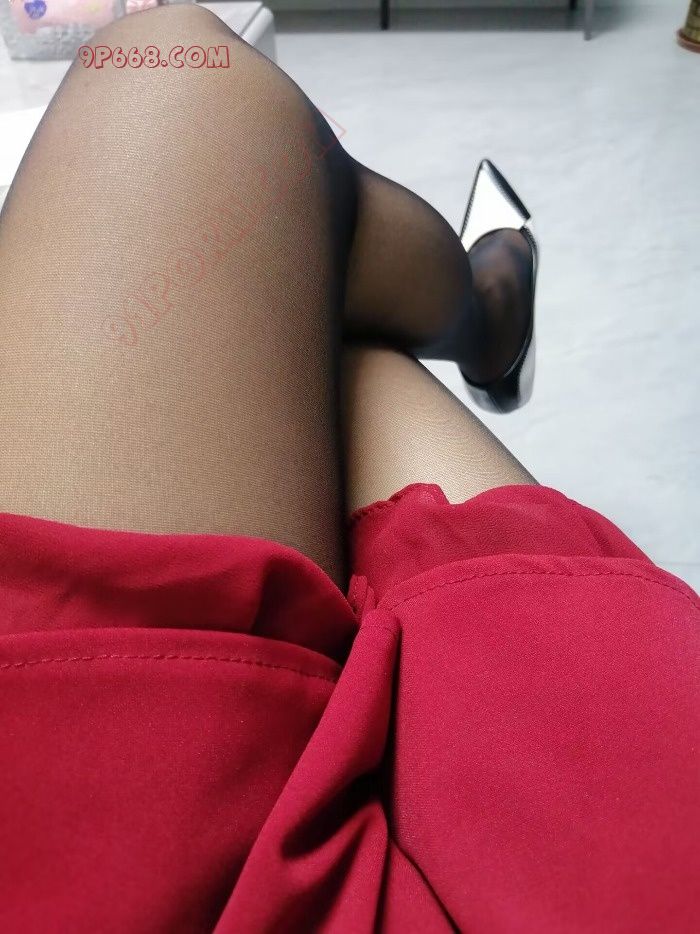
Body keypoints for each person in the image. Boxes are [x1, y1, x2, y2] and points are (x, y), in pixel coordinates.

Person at [0, 5, 697, 932]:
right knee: (176, 81)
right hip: (599, 843)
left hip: (80, 834)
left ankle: (487, 316)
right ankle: (489, 318)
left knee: (273, 294)